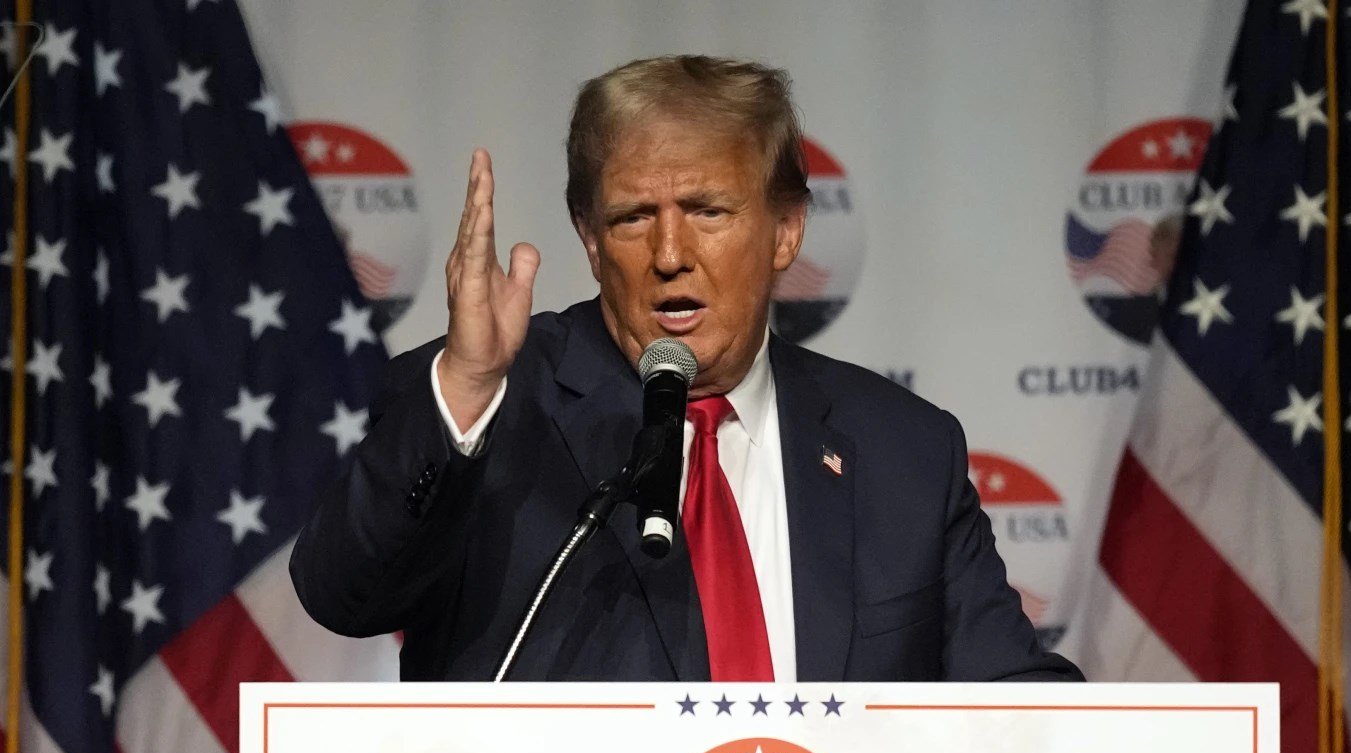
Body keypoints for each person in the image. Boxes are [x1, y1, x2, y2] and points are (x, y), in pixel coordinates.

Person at [289, 55, 1082, 684]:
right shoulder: (493, 401)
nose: (671, 256)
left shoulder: (902, 449)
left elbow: (1009, 700)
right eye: (634, 218)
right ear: (592, 241)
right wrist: (466, 387)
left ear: (785, 230)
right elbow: (344, 594)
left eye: (708, 211)